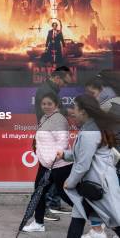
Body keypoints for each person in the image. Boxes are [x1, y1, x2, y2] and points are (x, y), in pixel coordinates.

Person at [56, 94, 120, 238]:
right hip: (94, 185)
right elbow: (84, 154)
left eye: (75, 108)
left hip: (98, 185)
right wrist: (65, 155)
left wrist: (69, 182)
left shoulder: (89, 132)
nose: (73, 111)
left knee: (116, 222)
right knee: (78, 218)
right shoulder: (92, 127)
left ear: (83, 111)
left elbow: (83, 164)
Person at [22, 93, 74, 232]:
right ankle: (38, 223)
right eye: (44, 104)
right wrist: (42, 156)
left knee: (67, 196)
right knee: (38, 193)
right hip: (45, 165)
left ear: (56, 105)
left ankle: (96, 220)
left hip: (59, 166)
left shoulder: (59, 119)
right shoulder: (45, 118)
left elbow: (62, 143)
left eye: (49, 104)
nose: (46, 106)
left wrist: (51, 160)